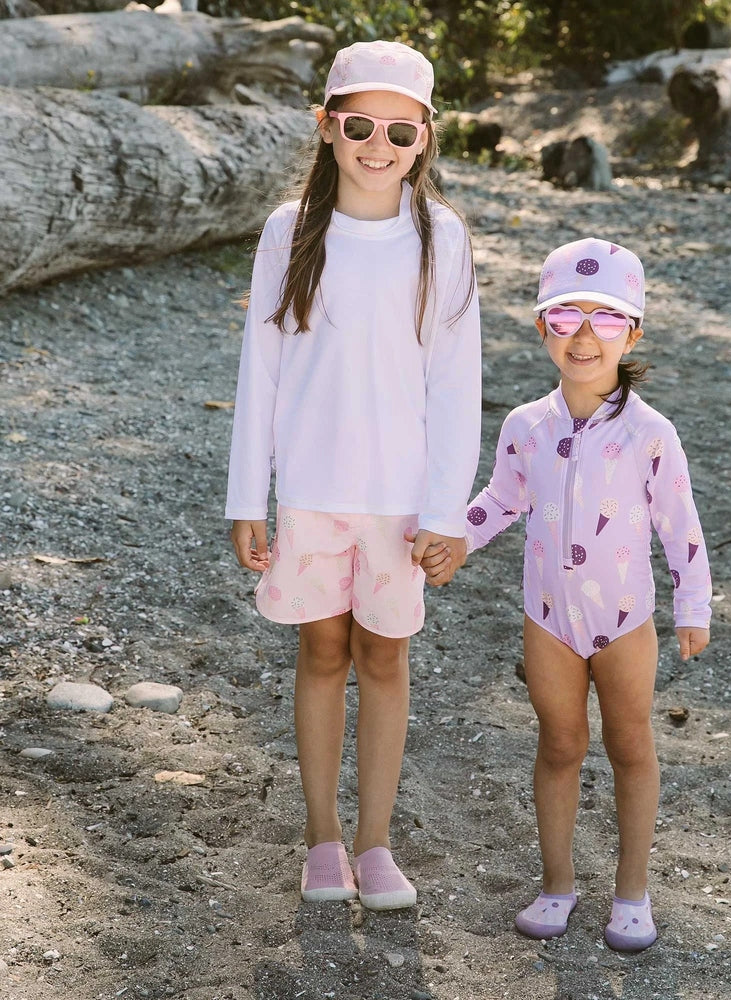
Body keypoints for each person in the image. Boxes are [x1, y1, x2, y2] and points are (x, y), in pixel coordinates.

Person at [225, 39, 481, 911]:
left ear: (425, 137)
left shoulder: (440, 238)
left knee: (384, 656)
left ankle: (376, 842)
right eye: (360, 125)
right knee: (322, 650)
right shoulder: (288, 230)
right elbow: (259, 370)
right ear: (328, 127)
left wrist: (449, 510)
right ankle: (323, 839)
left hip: (400, 502)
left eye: (400, 131)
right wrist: (245, 497)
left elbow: (456, 386)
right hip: (309, 492)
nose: (380, 146)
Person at [427, 237, 710, 950]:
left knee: (631, 746)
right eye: (565, 319)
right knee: (558, 744)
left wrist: (693, 605)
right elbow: (499, 499)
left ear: (633, 332)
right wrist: (456, 536)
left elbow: (680, 522)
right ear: (542, 328)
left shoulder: (651, 433)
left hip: (625, 623)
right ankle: (557, 886)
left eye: (606, 320)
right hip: (548, 621)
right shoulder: (526, 426)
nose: (584, 337)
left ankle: (632, 893)